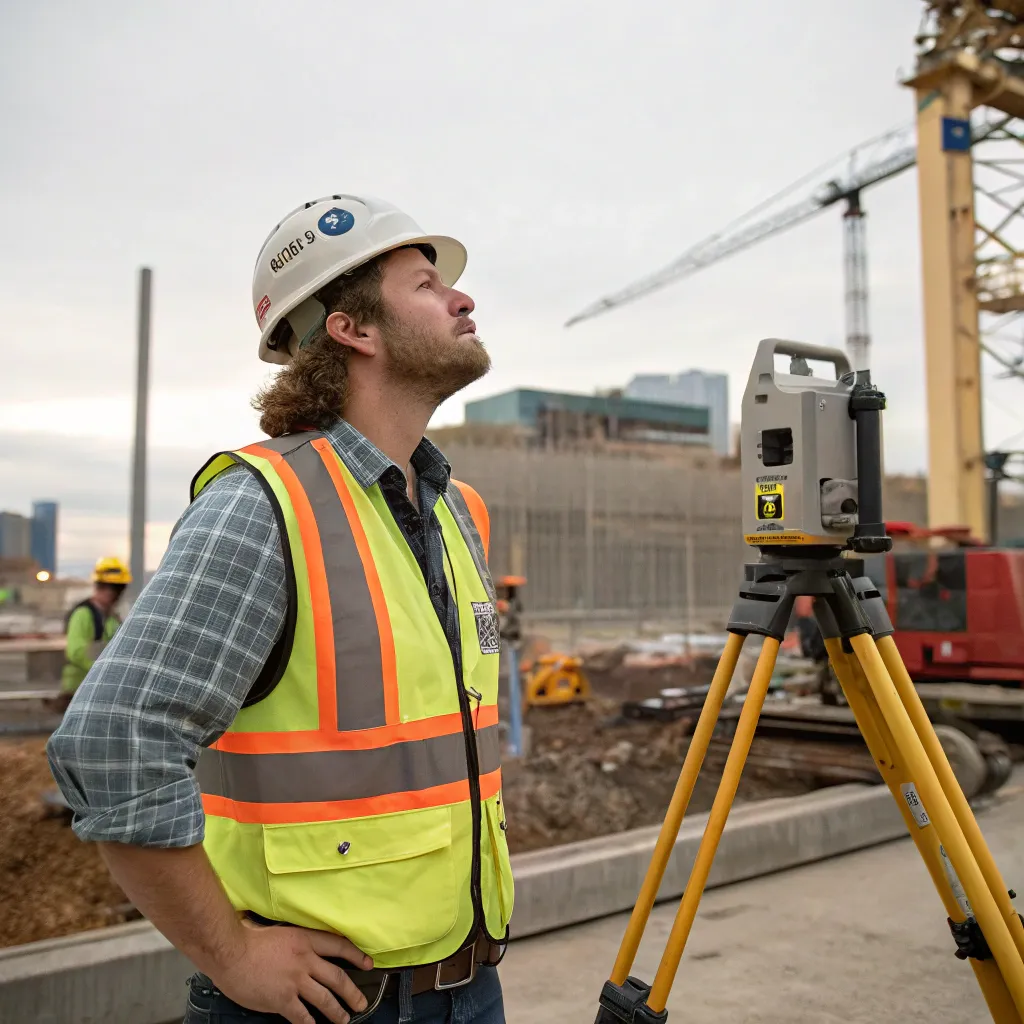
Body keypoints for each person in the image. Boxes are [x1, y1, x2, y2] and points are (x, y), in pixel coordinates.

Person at [47, 194, 513, 1024]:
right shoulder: (264, 505)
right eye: (425, 284)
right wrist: (231, 955)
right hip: (327, 1006)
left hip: (467, 985)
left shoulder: (454, 511)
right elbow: (112, 740)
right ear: (353, 329)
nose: (462, 298)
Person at [50, 556, 131, 714]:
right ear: (98, 585)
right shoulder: (83, 614)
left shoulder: (112, 619)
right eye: (106, 586)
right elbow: (76, 651)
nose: (111, 592)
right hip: (77, 690)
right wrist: (104, 671)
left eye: (116, 588)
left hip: (100, 690)